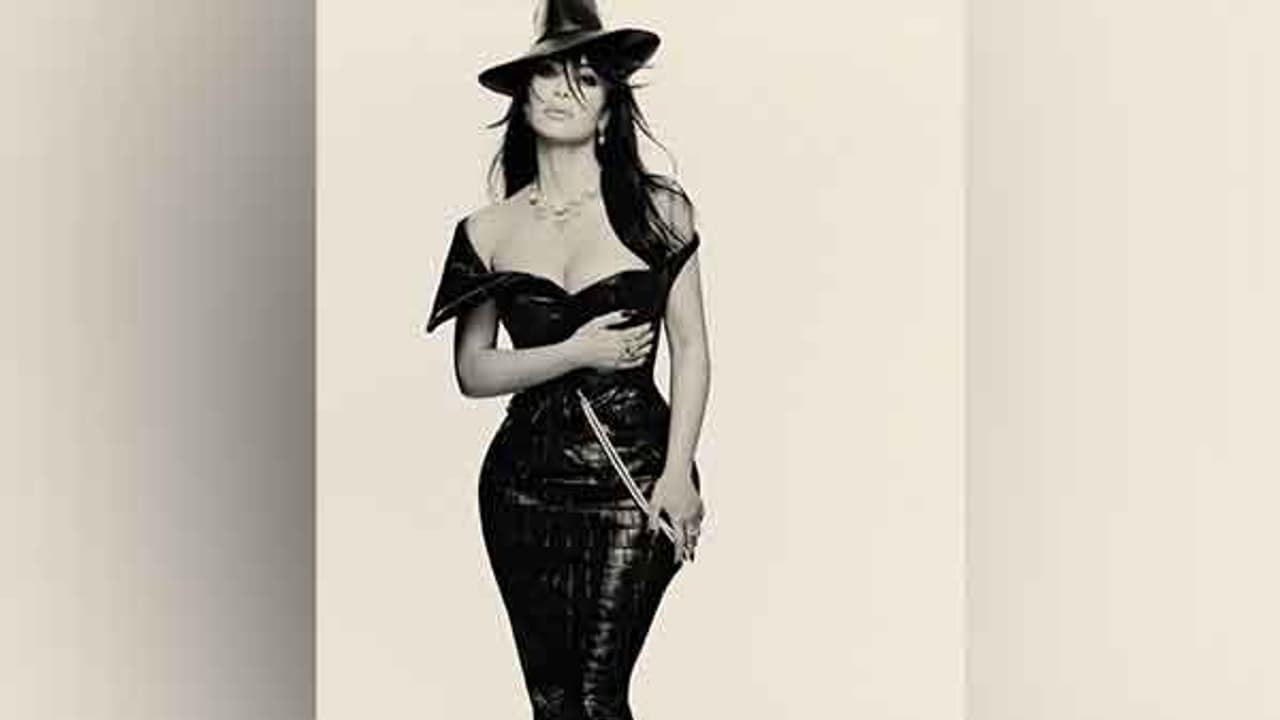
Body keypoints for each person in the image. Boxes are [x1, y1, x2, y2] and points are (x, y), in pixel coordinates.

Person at [425, 1, 710, 718]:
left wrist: (679, 472)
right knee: (551, 699)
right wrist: (575, 351)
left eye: (584, 77)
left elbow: (692, 347)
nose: (561, 90)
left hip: (634, 473)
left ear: (610, 109)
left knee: (597, 694)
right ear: (522, 101)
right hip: (521, 485)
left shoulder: (659, 210)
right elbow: (473, 371)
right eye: (547, 75)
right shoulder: (487, 229)